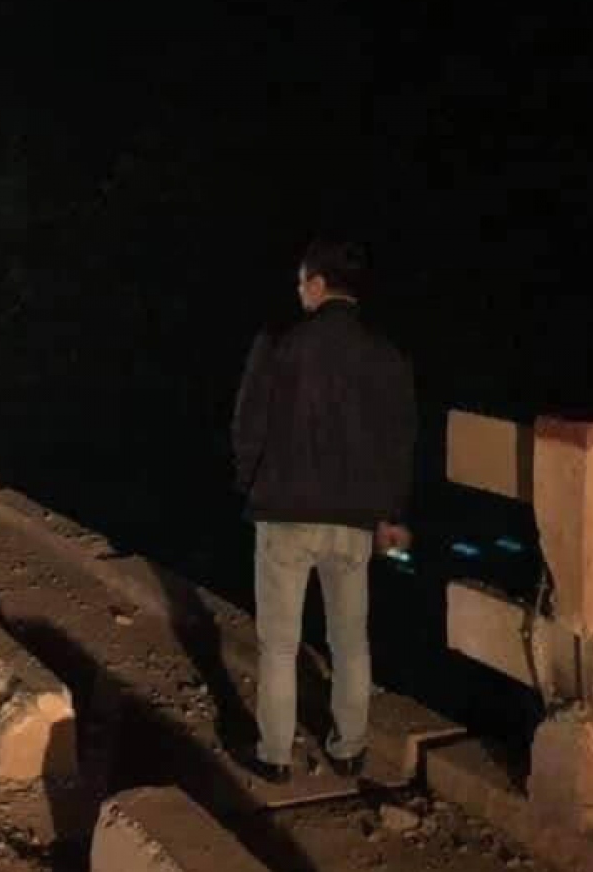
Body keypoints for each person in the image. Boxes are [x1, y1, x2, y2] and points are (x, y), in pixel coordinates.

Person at [231, 238, 416, 784]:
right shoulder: (388, 357)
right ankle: (349, 749)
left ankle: (275, 755)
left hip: (284, 512)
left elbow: (248, 424)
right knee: (350, 641)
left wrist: (252, 485)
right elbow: (399, 443)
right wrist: (390, 513)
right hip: (355, 520)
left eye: (300, 284)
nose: (298, 293)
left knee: (279, 643)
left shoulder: (279, 344)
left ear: (316, 284)